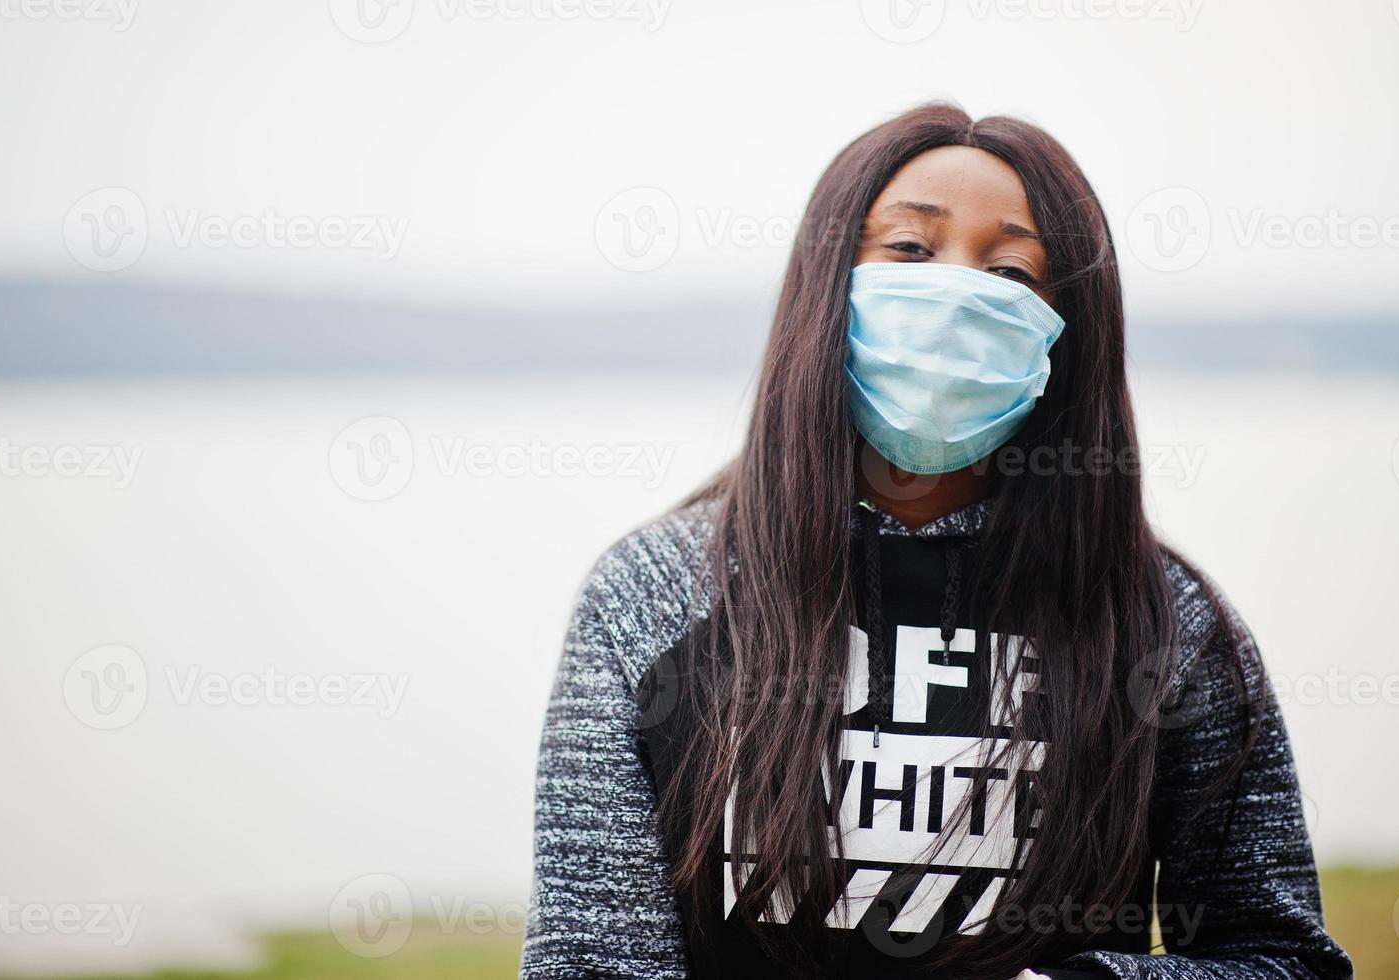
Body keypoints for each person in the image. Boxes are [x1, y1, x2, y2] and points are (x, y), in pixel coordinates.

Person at [520, 102, 1352, 979]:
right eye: (910, 251)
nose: (957, 294)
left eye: (1011, 270)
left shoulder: (1163, 624)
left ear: (1065, 331)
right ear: (826, 285)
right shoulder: (653, 595)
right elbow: (590, 960)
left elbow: (1279, 958)